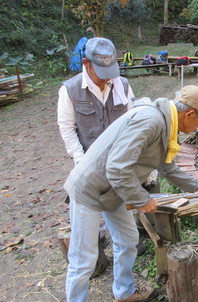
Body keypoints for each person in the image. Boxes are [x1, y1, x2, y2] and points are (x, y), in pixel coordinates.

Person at [63, 85, 198, 302]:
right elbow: (116, 168)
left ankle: (124, 293)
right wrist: (142, 199)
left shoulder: (167, 125)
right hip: (92, 189)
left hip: (115, 190)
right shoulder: (151, 121)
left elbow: (168, 166)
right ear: (189, 115)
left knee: (128, 240)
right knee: (83, 260)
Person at [57, 37, 137, 275]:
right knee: (84, 254)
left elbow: (133, 125)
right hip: (89, 179)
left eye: (110, 70)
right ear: (86, 63)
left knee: (128, 238)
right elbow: (67, 129)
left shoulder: (122, 85)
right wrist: (82, 162)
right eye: (101, 71)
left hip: (118, 174)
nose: (106, 77)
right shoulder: (69, 90)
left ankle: (124, 291)